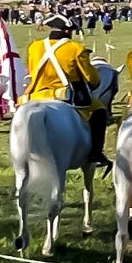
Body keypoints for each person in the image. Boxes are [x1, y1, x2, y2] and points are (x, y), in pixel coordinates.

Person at [21, 14, 111, 168]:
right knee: (100, 111)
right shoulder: (75, 48)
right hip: (65, 96)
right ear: (68, 31)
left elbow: (31, 70)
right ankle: (96, 154)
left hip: (36, 95)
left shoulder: (34, 47)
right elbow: (92, 79)